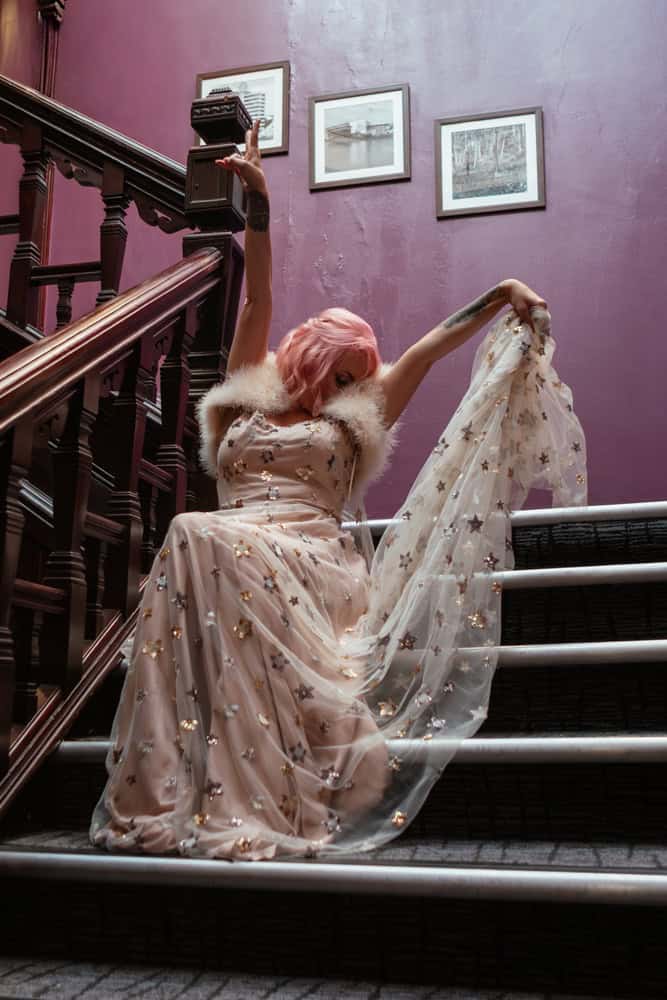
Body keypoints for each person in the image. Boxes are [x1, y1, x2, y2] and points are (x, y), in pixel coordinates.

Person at [89, 121, 586, 861]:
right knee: (197, 531)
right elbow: (255, 298)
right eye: (346, 371)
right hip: (230, 541)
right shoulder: (248, 394)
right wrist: (258, 202)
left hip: (309, 555)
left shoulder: (357, 415)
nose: (356, 384)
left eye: (360, 375)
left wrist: (500, 293)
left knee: (196, 532)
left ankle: (242, 796)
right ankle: (165, 786)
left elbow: (426, 347)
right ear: (312, 358)